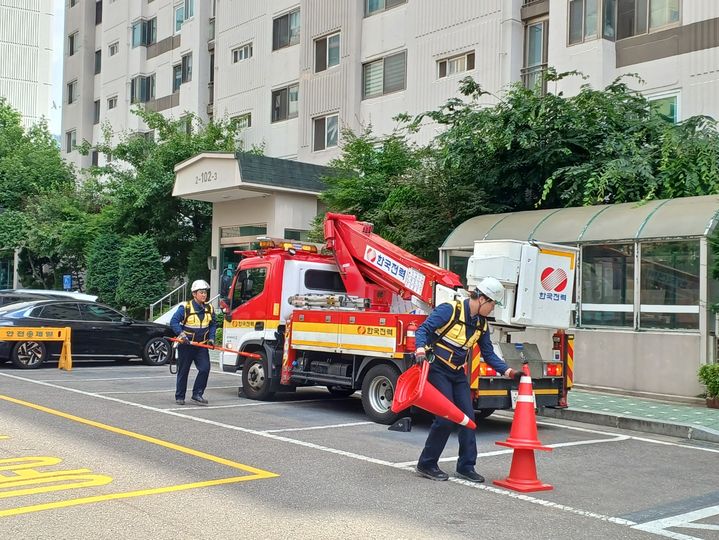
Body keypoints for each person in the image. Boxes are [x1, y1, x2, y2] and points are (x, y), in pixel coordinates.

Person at [413, 277, 523, 483]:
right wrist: (420, 349)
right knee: (445, 418)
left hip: (456, 373)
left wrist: (510, 372)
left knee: (469, 420)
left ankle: (466, 466)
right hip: (437, 369)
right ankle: (426, 463)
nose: (493, 309)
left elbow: (489, 354)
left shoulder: (481, 324)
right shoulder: (450, 310)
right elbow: (423, 330)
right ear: (482, 299)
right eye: (492, 304)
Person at [171, 279, 217, 406]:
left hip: (201, 345)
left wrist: (212, 338)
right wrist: (181, 335)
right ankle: (180, 396)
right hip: (186, 346)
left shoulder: (209, 308)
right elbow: (174, 322)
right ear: (194, 294)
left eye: (205, 293)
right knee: (183, 371)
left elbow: (213, 324)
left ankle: (197, 394)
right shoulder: (185, 308)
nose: (204, 295)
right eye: (201, 292)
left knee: (205, 369)